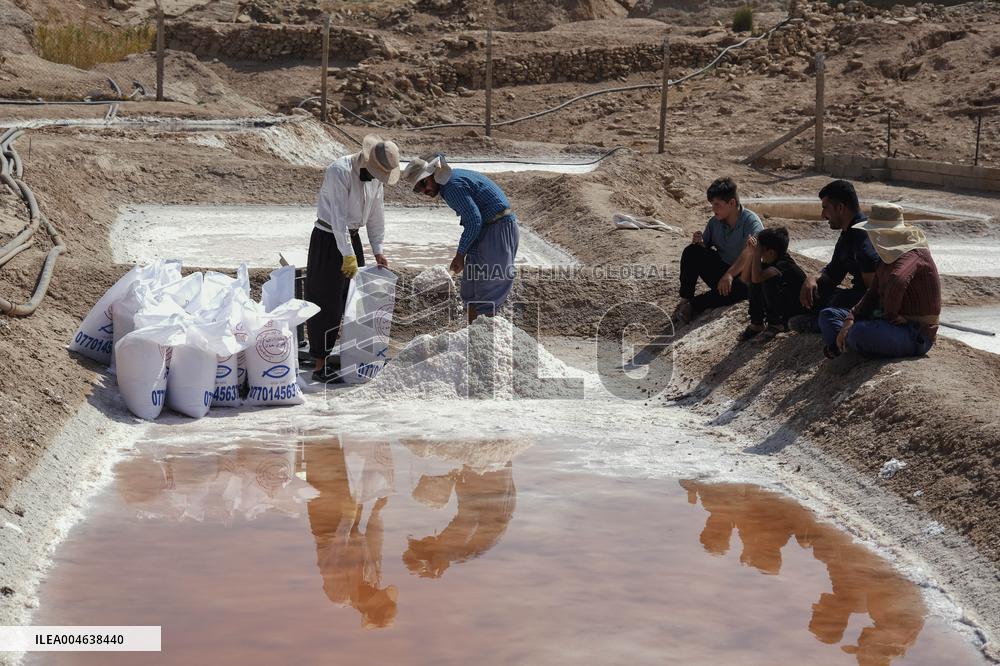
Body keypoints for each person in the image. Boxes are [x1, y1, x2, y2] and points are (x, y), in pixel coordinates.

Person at [307, 134, 399, 382]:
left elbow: (376, 215)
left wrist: (377, 248)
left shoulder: (375, 180)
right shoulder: (340, 171)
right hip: (328, 238)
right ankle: (319, 366)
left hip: (351, 239)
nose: (376, 179)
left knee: (352, 304)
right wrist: (347, 255)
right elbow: (338, 219)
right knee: (326, 302)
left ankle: (353, 358)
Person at [402, 153, 519, 323]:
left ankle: (485, 338)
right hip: (487, 230)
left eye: (424, 183)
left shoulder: (452, 186)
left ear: (434, 174)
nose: (425, 191)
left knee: (488, 288)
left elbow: (474, 220)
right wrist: (464, 254)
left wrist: (460, 254)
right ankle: (472, 334)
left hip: (498, 229)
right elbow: (475, 221)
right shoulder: (449, 184)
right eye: (418, 189)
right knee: (470, 288)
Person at [818, 203, 941, 359]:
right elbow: (872, 293)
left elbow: (897, 279)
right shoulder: (888, 257)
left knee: (859, 332)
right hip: (887, 323)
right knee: (829, 315)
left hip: (914, 332)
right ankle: (848, 348)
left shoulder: (913, 253)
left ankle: (844, 349)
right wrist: (851, 318)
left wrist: (890, 315)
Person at [790, 180, 880, 333]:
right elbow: (834, 271)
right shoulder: (848, 233)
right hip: (862, 298)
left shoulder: (862, 236)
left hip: (874, 303)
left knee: (838, 301)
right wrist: (813, 278)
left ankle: (821, 323)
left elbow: (875, 293)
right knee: (811, 291)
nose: (823, 215)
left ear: (840, 208)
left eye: (825, 208)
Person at [674, 177, 763, 324]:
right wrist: (699, 243)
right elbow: (704, 249)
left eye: (717, 204)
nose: (713, 209)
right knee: (692, 251)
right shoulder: (714, 222)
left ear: (732, 203)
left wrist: (729, 274)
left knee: (741, 290)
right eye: (712, 204)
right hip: (722, 272)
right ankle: (685, 299)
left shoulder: (751, 222)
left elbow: (750, 253)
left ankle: (695, 305)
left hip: (743, 276)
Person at [740, 227, 807, 343]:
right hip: (785, 304)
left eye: (761, 250)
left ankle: (777, 324)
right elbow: (745, 278)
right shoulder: (770, 261)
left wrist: (756, 254)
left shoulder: (784, 264)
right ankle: (757, 323)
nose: (759, 253)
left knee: (765, 280)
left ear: (771, 252)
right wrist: (751, 254)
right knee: (755, 278)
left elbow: (757, 278)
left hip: (797, 308)